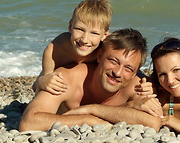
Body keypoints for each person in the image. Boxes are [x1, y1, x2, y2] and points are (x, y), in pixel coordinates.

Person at [19, 28, 161, 132]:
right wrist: (86, 120)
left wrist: (92, 110)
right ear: (99, 57)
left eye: (128, 69)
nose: (118, 72)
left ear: (136, 72)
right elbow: (28, 122)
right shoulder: (66, 78)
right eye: (113, 61)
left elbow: (153, 123)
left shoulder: (138, 86)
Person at [32, 0, 112, 95]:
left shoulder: (104, 50)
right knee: (39, 85)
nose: (84, 40)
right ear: (70, 26)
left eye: (94, 33)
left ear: (105, 35)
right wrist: (43, 80)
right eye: (79, 29)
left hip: (80, 80)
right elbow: (47, 78)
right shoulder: (56, 48)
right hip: (58, 68)